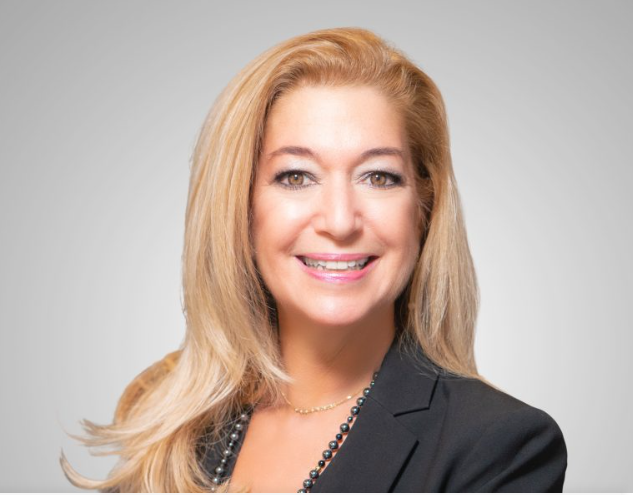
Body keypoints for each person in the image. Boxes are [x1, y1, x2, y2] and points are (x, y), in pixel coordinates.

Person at [60, 27, 567, 492]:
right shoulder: (167, 425)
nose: (340, 221)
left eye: (379, 177)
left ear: (423, 208)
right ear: (241, 207)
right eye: (296, 176)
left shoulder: (499, 447)